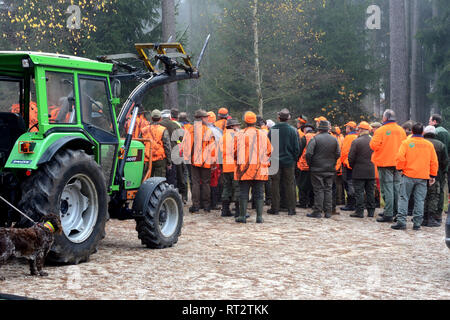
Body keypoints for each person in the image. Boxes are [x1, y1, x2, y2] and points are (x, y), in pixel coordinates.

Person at [393, 123, 439, 230]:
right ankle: (417, 223)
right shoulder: (429, 145)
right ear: (423, 132)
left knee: (404, 198)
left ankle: (401, 222)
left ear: (412, 131)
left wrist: (400, 169)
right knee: (420, 200)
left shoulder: (406, 143)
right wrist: (432, 175)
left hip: (408, 175)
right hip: (423, 176)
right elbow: (434, 162)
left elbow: (400, 157)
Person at [370, 109, 407, 223]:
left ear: (385, 118)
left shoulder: (381, 130)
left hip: (385, 163)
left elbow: (373, 145)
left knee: (387, 189)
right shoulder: (401, 130)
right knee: (396, 188)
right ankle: (395, 211)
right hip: (398, 164)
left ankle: (388, 213)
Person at [234, 112, 272, 223]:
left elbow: (234, 152)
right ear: (255, 121)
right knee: (260, 193)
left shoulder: (239, 134)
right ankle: (259, 217)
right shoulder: (263, 134)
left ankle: (242, 216)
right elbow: (269, 151)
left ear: (245, 122)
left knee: (243, 192)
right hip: (260, 168)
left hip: (244, 169)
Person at [182, 109, 216, 213]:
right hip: (206, 161)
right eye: (206, 117)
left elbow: (185, 145)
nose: (207, 118)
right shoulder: (208, 130)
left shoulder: (191, 130)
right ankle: (206, 206)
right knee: (206, 183)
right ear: (201, 118)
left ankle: (196, 206)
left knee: (195, 183)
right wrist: (213, 162)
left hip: (194, 161)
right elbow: (213, 148)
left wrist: (187, 158)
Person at [268, 108, 301, 216]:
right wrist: (294, 159)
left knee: (275, 185)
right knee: (290, 185)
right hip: (289, 161)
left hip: (274, 161)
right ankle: (291, 209)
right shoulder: (293, 131)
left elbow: (268, 147)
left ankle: (275, 208)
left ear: (278, 118)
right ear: (289, 118)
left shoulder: (272, 130)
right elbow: (297, 148)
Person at [305, 120, 340, 219]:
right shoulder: (334, 140)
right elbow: (338, 153)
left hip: (316, 169)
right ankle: (328, 212)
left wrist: (310, 164)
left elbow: (308, 154)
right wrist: (332, 162)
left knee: (318, 190)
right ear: (327, 128)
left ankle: (317, 211)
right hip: (330, 168)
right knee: (328, 189)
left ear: (319, 129)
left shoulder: (315, 139)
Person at [348, 122, 376, 218]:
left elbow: (351, 157)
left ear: (360, 130)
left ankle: (359, 212)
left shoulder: (356, 141)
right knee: (370, 192)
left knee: (359, 192)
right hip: (371, 171)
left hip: (359, 171)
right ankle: (371, 212)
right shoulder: (373, 140)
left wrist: (352, 166)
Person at [423, 125, 448, 227]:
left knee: (422, 196)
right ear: (435, 134)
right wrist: (443, 172)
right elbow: (445, 161)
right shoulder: (441, 145)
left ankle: (422, 217)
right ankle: (432, 218)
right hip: (436, 174)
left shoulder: (420, 143)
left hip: (420, 174)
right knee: (434, 196)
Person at [429, 114, 450, 223]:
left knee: (434, 191)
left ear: (435, 121)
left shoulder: (436, 133)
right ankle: (439, 214)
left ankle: (433, 213)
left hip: (435, 166)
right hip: (444, 165)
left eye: (430, 120)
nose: (429, 122)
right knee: (441, 190)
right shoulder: (446, 132)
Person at [219, 119, 241, 217]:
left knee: (226, 187)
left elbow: (218, 153)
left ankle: (225, 210)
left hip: (225, 166)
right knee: (237, 187)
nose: (238, 127)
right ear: (232, 126)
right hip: (235, 166)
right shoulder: (237, 136)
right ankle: (238, 211)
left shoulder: (222, 137)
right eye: (237, 125)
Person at [141, 109, 172, 178]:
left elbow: (141, 144)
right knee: (159, 180)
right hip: (160, 159)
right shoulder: (163, 129)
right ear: (160, 118)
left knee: (147, 180)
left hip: (147, 159)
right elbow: (167, 146)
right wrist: (169, 162)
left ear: (151, 118)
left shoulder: (144, 130)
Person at [340, 121, 358, 212]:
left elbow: (345, 152)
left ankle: (351, 204)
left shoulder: (349, 137)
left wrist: (343, 162)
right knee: (354, 184)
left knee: (349, 184)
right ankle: (354, 203)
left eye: (347, 127)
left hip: (348, 164)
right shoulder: (357, 136)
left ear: (350, 128)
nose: (345, 128)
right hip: (355, 165)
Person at [297, 123, 316, 209]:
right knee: (313, 185)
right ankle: (312, 203)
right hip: (314, 165)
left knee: (302, 185)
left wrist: (296, 160)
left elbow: (299, 151)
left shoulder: (304, 138)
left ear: (305, 130)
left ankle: (303, 203)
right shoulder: (317, 136)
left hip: (304, 165)